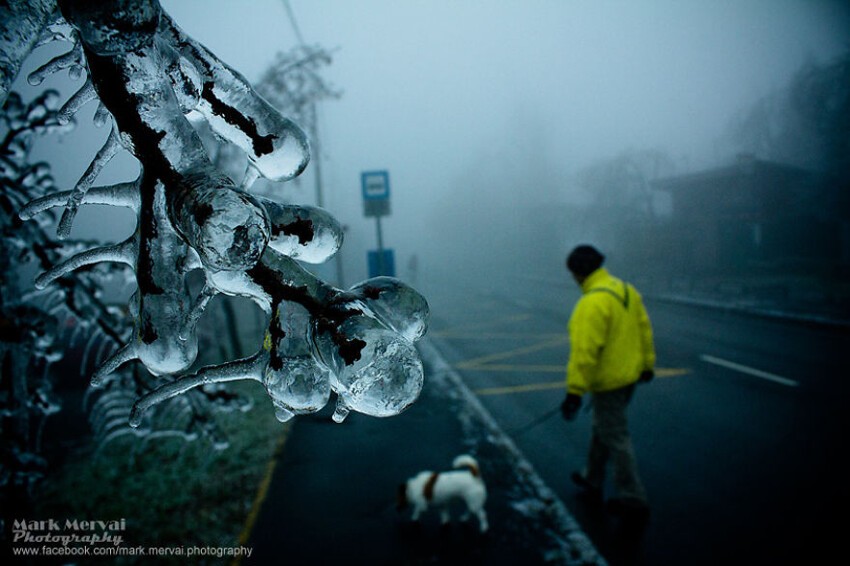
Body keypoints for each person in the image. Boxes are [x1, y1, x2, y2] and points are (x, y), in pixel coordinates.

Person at [561, 244, 655, 520]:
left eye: (573, 273)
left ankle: (633, 497)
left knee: (615, 435)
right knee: (604, 426)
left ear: (579, 273)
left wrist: (574, 392)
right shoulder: (626, 290)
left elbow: (584, 354)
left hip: (608, 381)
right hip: (629, 377)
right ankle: (592, 477)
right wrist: (647, 364)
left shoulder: (591, 303)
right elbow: (644, 329)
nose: (573, 278)